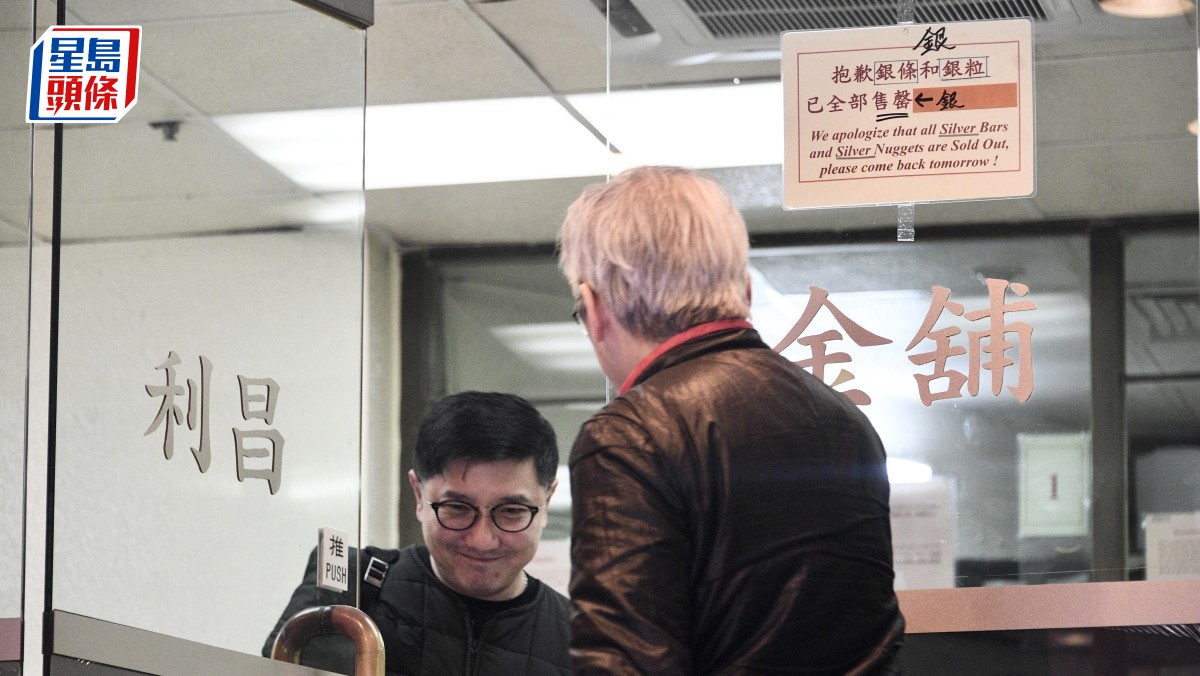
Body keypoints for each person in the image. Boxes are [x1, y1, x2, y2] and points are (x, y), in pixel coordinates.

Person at [558, 165, 905, 674]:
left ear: (594, 309)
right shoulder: (844, 419)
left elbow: (625, 662)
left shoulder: (629, 436)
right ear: (745, 289)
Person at [263, 391, 570, 675]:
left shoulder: (583, 639)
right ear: (419, 495)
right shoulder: (351, 587)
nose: (481, 540)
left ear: (547, 501)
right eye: (456, 508)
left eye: (511, 512)